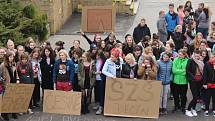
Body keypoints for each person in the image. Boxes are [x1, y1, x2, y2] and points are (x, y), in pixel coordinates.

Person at [185, 49, 204, 117]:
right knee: (195, 96)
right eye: (195, 56)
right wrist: (194, 77)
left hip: (200, 80)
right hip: (193, 81)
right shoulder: (190, 60)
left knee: (197, 97)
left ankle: (193, 109)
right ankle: (188, 109)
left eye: (198, 56)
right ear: (193, 54)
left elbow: (202, 71)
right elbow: (187, 70)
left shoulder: (201, 61)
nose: (196, 57)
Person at [0, 51, 18, 121]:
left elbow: (15, 73)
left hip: (13, 84)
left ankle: (13, 113)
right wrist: (3, 80)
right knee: (6, 100)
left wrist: (17, 79)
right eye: (10, 57)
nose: (11, 58)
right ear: (7, 57)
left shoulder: (13, 64)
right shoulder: (2, 65)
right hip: (6, 85)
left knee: (13, 99)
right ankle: (5, 114)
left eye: (12, 57)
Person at [172, 49, 189, 113]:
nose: (179, 56)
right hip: (175, 81)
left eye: (181, 55)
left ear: (184, 55)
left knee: (183, 96)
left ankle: (183, 107)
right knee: (175, 95)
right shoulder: (175, 60)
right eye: (178, 54)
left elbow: (186, 72)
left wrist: (178, 71)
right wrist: (182, 71)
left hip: (184, 82)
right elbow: (174, 70)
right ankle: (176, 106)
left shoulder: (187, 61)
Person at [202, 52, 215, 116]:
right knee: (207, 98)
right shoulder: (207, 64)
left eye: (213, 57)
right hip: (208, 84)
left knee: (214, 98)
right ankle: (206, 109)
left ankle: (214, 109)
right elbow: (204, 75)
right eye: (210, 58)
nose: (212, 59)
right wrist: (204, 83)